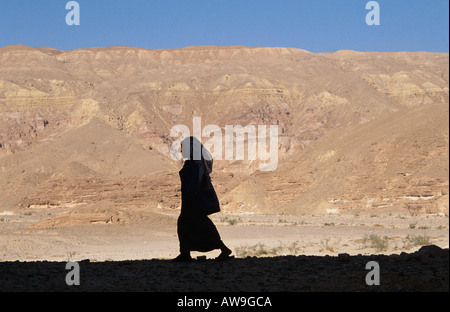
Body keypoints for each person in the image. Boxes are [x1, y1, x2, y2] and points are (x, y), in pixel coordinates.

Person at [172, 136, 232, 262]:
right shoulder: (197, 163)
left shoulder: (194, 164)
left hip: (194, 200)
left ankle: (185, 253)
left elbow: (195, 182)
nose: (182, 151)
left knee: (185, 223)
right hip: (194, 199)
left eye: (184, 148)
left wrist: (190, 198)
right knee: (198, 224)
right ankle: (221, 248)